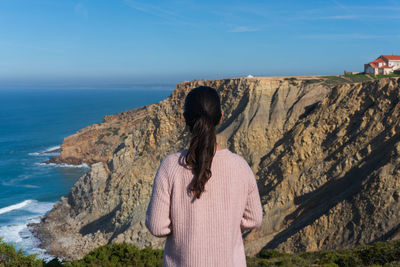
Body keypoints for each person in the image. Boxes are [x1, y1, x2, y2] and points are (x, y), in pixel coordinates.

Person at [145, 86, 263, 267]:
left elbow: (157, 226)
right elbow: (254, 218)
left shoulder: (171, 166)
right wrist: (223, 224)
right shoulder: (240, 166)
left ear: (186, 120)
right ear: (221, 117)